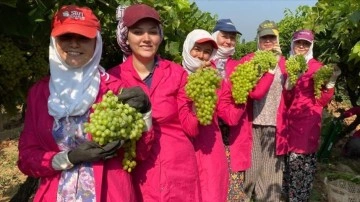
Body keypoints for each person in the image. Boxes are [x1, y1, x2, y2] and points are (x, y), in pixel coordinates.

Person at [17, 5, 153, 202]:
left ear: (96, 43)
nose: (74, 44)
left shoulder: (115, 90)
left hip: (110, 194)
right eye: (66, 37)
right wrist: (68, 158)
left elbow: (140, 153)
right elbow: (27, 158)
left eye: (83, 38)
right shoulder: (39, 94)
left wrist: (145, 114)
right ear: (54, 42)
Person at [108, 4, 201, 201]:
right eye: (138, 32)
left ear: (160, 36)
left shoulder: (177, 73)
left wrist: (199, 103)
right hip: (136, 173)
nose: (146, 39)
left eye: (152, 32)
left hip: (178, 170)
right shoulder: (113, 78)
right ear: (126, 37)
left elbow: (191, 129)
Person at [181, 29, 245, 202]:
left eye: (207, 51)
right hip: (183, 153)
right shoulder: (173, 77)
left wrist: (242, 96)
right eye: (197, 49)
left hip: (211, 153)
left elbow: (230, 117)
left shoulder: (214, 81)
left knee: (212, 194)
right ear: (187, 47)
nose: (201, 55)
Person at [231, 20, 287, 202]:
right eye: (264, 38)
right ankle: (245, 198)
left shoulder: (285, 63)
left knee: (271, 169)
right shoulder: (248, 60)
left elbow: (291, 94)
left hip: (275, 123)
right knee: (252, 168)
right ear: (258, 39)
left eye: (272, 37)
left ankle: (268, 199)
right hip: (252, 122)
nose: (268, 41)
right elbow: (248, 91)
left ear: (277, 39)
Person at [282, 29, 341, 201]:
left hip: (306, 124)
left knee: (300, 165)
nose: (301, 46)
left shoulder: (317, 67)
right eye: (298, 43)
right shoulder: (287, 66)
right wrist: (289, 84)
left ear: (311, 46)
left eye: (306, 43)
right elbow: (285, 100)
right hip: (288, 122)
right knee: (287, 167)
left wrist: (330, 83)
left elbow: (322, 100)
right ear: (293, 44)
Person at [210, 18, 248, 201]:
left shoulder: (239, 67)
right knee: (212, 184)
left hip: (233, 133)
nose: (228, 41)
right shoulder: (202, 64)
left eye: (232, 38)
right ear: (215, 37)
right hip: (210, 134)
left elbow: (244, 97)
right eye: (224, 36)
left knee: (233, 187)